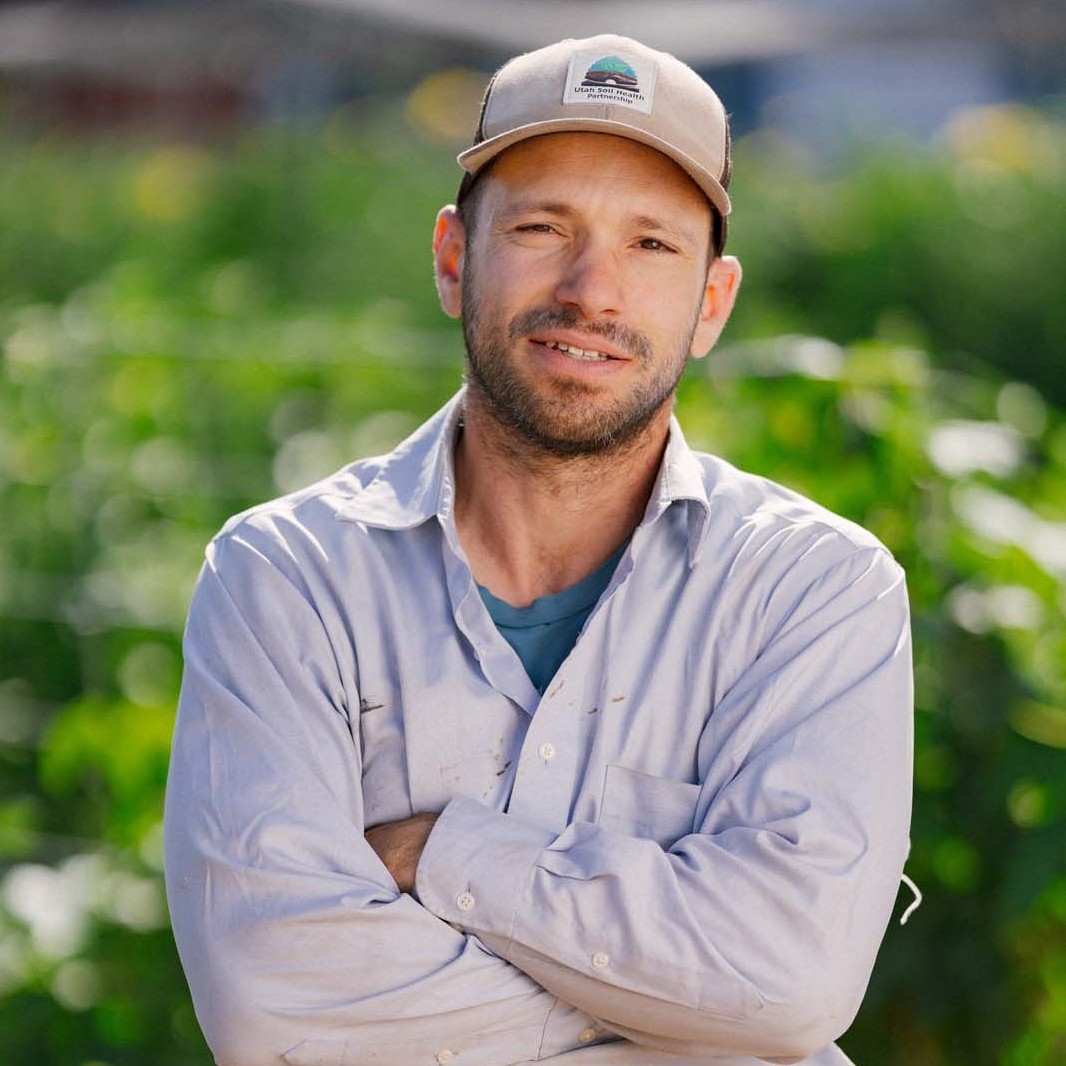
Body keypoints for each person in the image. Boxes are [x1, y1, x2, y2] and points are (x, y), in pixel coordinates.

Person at [164, 33, 913, 1066]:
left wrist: (447, 853)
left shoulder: (812, 591)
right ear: (451, 257)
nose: (591, 289)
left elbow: (793, 983)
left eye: (651, 244)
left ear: (711, 302)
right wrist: (684, 1010)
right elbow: (270, 1002)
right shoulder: (285, 579)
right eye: (541, 226)